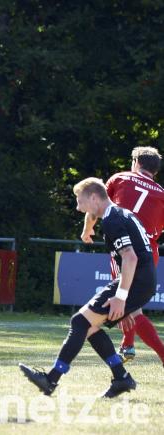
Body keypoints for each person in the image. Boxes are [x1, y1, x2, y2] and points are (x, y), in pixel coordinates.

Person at [21, 177, 157, 398]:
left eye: (80, 201)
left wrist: (122, 297)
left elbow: (130, 257)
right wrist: (87, 229)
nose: (78, 207)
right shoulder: (118, 213)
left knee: (80, 322)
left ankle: (51, 379)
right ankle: (121, 377)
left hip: (136, 282)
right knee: (89, 326)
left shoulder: (112, 220)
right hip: (140, 281)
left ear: (94, 198)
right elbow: (131, 254)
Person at [81, 146, 164, 365]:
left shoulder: (121, 178)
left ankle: (147, 351)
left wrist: (87, 229)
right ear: (155, 171)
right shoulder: (162, 194)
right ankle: (127, 346)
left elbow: (95, 204)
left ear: (136, 162)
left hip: (126, 249)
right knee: (129, 302)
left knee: (129, 305)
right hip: (149, 251)